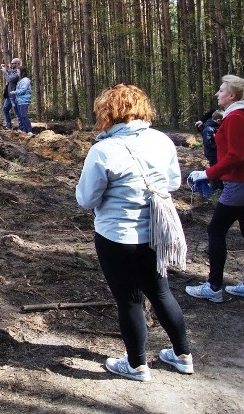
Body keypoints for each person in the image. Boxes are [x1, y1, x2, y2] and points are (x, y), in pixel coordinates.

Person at [76, 84, 192, 382]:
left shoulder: (103, 150)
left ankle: (137, 365)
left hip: (117, 235)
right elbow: (173, 182)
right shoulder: (162, 140)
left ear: (107, 112)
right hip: (157, 231)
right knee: (161, 292)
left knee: (129, 300)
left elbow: (86, 199)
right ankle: (183, 355)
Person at [185, 75, 244, 302]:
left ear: (232, 96)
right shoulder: (240, 116)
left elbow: (235, 156)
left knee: (215, 231)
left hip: (239, 183)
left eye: (221, 90)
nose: (217, 94)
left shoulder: (236, 118)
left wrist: (207, 173)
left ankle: (213, 288)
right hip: (243, 183)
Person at [10, 66, 33, 135]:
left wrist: (14, 92)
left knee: (24, 115)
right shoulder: (21, 80)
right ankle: (25, 130)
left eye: (18, 71)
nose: (17, 73)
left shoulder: (26, 80)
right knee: (20, 116)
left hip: (24, 100)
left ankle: (30, 131)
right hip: (19, 100)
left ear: (22, 72)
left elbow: (23, 90)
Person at [1, 58, 21, 129]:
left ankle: (22, 128)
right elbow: (9, 73)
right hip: (9, 95)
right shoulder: (13, 71)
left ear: (18, 64)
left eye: (13, 63)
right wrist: (5, 68)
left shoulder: (18, 72)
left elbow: (10, 79)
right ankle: (9, 125)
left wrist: (4, 72)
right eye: (11, 63)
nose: (11, 64)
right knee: (5, 109)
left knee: (17, 112)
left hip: (14, 95)